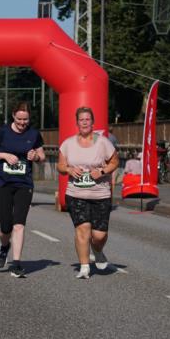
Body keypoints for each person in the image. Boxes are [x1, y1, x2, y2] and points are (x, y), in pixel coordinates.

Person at [0, 102, 45, 278]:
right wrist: (4, 155)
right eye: (19, 119)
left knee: (19, 224)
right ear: (13, 116)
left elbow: (42, 156)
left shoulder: (33, 134)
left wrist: (36, 157)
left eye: (25, 119)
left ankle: (16, 264)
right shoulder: (1, 132)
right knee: (5, 227)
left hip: (24, 184)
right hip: (3, 183)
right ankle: (4, 247)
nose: (22, 123)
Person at [57, 106, 119, 279]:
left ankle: (97, 250)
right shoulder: (68, 144)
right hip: (76, 193)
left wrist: (103, 171)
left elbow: (115, 162)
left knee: (99, 235)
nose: (84, 122)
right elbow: (60, 166)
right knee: (82, 229)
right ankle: (84, 267)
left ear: (92, 122)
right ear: (77, 123)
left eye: (87, 119)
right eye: (81, 119)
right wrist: (68, 169)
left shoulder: (103, 142)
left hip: (100, 194)